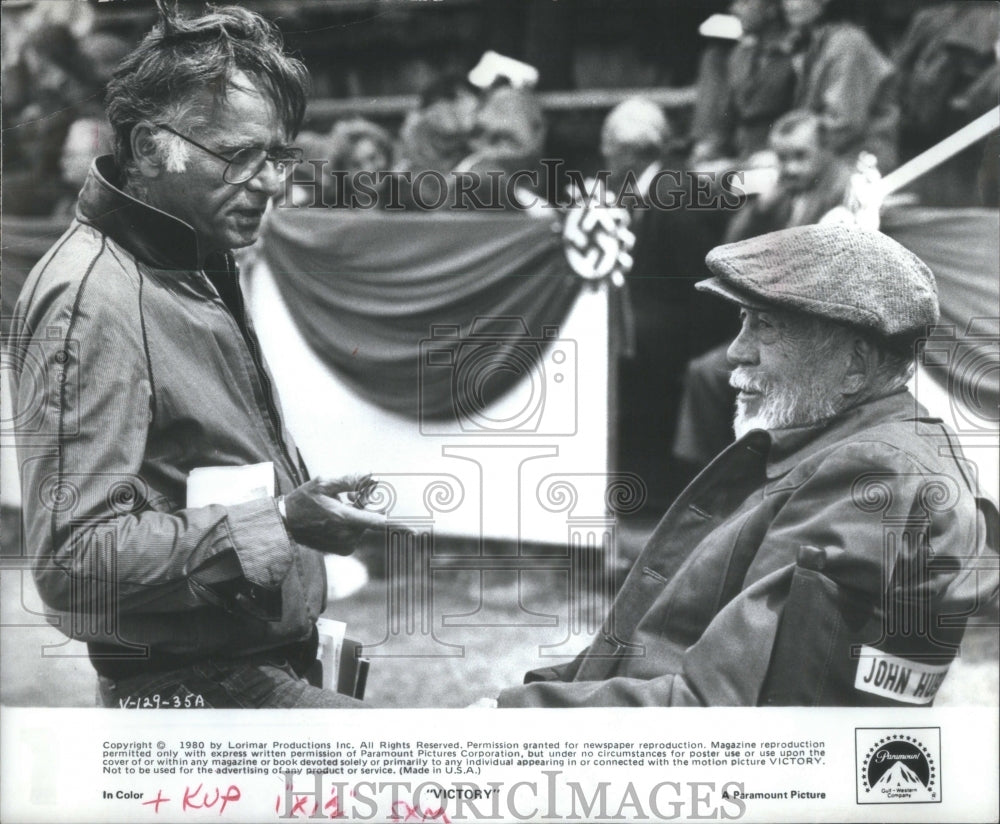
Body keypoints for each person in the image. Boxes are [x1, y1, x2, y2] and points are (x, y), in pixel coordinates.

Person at [9, 5, 386, 708]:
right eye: (238, 156)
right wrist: (281, 521)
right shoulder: (94, 297)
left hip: (239, 665)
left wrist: (293, 512)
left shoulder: (191, 256)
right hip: (192, 685)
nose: (269, 182)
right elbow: (72, 563)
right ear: (149, 148)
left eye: (277, 156)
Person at [490, 223, 998, 706]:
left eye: (766, 326)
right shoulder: (836, 450)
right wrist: (537, 696)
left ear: (854, 364)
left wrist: (518, 716)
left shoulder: (872, 474)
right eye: (743, 321)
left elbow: (715, 710)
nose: (737, 352)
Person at [783, 0, 899, 173]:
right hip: (827, 158)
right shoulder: (815, 43)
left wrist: (785, 150)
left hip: (857, 163)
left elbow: (843, 124)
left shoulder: (847, 43)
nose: (788, 3)